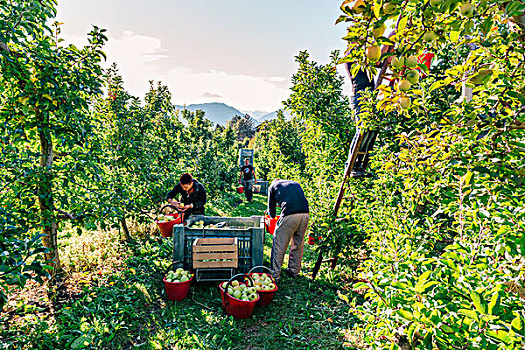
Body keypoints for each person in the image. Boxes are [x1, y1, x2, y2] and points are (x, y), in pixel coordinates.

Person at [267, 179, 309, 283]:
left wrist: (272, 213)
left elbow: (271, 212)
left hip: (289, 214)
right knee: (298, 243)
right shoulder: (295, 183)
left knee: (279, 244)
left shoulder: (272, 187)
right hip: (305, 213)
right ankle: (294, 271)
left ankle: (274, 275)